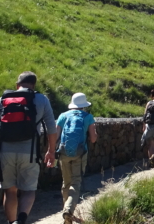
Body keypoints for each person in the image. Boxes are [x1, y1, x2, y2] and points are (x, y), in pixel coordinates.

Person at [0, 71, 57, 224]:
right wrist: (51, 151)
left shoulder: (4, 99)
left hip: (6, 152)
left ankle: (12, 222)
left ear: (17, 85)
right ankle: (21, 220)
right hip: (30, 153)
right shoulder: (41, 99)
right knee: (29, 190)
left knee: (10, 191)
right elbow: (51, 129)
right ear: (34, 86)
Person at [55, 93, 97, 224]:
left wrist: (51, 151)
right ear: (84, 105)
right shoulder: (88, 117)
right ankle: (68, 210)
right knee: (76, 183)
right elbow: (93, 138)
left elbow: (55, 136)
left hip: (63, 153)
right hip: (80, 153)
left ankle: (67, 215)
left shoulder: (63, 115)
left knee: (66, 183)